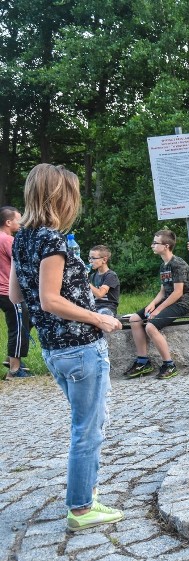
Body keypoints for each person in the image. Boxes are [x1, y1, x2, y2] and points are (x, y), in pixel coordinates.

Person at [10, 164, 124, 531]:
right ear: (61, 196)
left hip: (54, 351)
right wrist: (99, 318)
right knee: (87, 429)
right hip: (80, 348)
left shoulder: (23, 238)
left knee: (89, 423)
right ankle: (81, 508)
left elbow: (16, 294)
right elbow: (48, 299)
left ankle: (85, 493)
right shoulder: (52, 240)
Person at [124, 229, 189, 380]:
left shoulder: (178, 264)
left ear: (166, 246)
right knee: (135, 319)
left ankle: (169, 365)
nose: (152, 245)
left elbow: (178, 293)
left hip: (182, 303)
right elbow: (163, 291)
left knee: (151, 326)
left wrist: (158, 310)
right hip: (168, 300)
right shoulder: (164, 265)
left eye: (155, 243)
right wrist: (152, 304)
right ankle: (143, 361)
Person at [0, 206, 33, 378]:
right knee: (19, 327)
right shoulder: (8, 240)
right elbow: (21, 266)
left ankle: (11, 357)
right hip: (9, 291)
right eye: (18, 219)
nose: (21, 223)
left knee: (28, 318)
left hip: (2, 292)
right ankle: (14, 370)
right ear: (8, 222)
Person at [88, 245, 120, 316]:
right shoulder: (93, 276)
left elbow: (100, 294)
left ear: (104, 260)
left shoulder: (111, 275)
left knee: (99, 317)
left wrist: (85, 282)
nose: (90, 261)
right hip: (94, 307)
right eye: (89, 258)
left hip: (108, 308)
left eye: (93, 258)